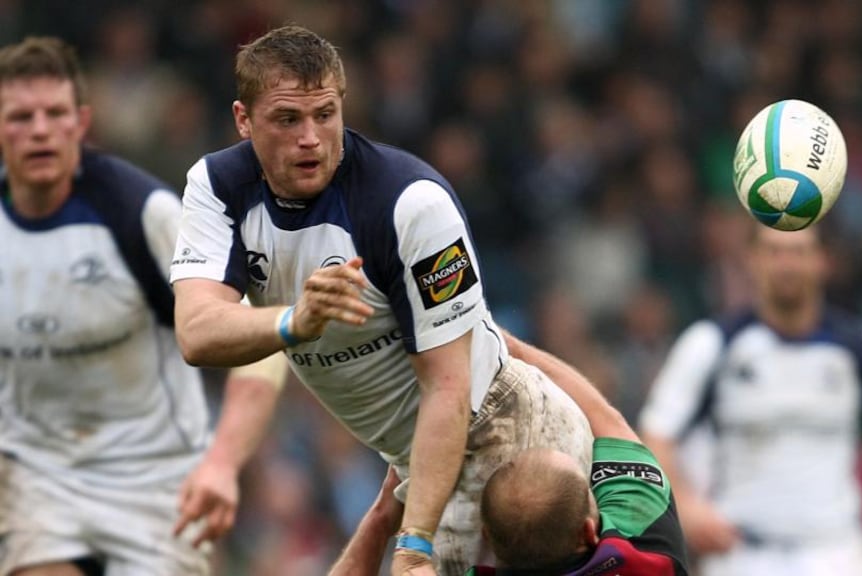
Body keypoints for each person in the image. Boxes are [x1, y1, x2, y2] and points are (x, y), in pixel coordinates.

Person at [169, 25, 592, 576]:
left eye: (325, 114)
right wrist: (296, 320)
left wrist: (414, 544)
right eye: (287, 119)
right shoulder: (215, 186)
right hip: (419, 461)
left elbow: (448, 384)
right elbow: (197, 333)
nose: (310, 138)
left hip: (503, 435)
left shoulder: (412, 204)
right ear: (243, 120)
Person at [0, 36, 282, 576]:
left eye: (54, 113)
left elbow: (260, 344)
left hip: (156, 483)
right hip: (38, 480)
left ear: (81, 124)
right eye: (20, 116)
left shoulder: (142, 213)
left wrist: (222, 465)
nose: (39, 129)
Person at [638, 225, 862, 576]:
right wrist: (688, 507)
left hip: (839, 553)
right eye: (774, 251)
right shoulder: (711, 343)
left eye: (799, 251)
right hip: (742, 554)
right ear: (752, 261)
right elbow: (656, 435)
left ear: (822, 261)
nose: (787, 264)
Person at [329, 333, 690, 576]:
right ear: (587, 530)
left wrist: (380, 520)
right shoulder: (649, 561)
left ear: (485, 535)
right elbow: (607, 420)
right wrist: (500, 343)